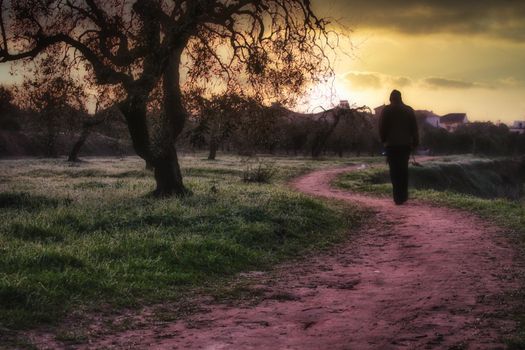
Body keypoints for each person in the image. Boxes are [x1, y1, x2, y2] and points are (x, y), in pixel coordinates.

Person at [379, 90, 419, 205]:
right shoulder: (408, 110)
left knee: (394, 170)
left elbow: (382, 127)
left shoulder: (386, 110)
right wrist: (415, 142)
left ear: (391, 98)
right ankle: (403, 196)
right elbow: (414, 128)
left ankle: (397, 197)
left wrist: (383, 140)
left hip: (391, 145)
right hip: (405, 145)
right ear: (401, 98)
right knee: (403, 170)